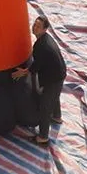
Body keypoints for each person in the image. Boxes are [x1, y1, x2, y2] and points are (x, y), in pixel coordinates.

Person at [12, 15, 66, 146]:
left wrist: (23, 72)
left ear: (45, 29)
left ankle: (43, 138)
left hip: (54, 77)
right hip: (58, 73)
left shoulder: (41, 46)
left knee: (45, 106)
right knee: (54, 95)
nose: (34, 28)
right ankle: (57, 117)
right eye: (34, 24)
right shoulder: (44, 40)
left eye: (38, 26)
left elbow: (36, 67)